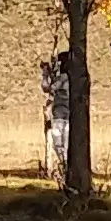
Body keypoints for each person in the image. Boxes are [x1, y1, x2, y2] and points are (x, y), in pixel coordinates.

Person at [40, 49, 72, 179]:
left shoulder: (63, 79)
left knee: (59, 144)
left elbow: (46, 87)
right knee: (66, 144)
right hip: (69, 115)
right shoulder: (72, 78)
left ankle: (64, 168)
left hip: (60, 115)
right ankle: (65, 168)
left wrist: (46, 74)